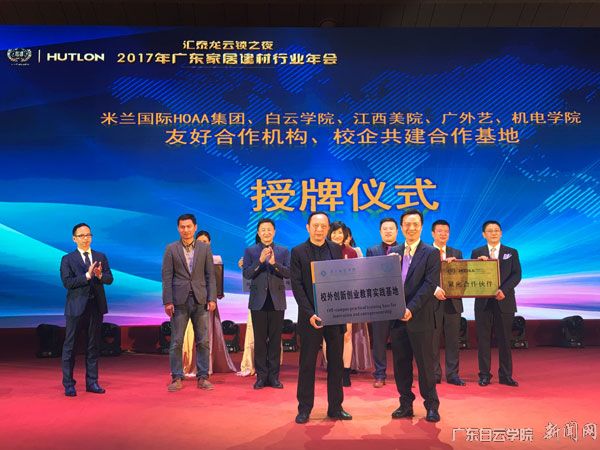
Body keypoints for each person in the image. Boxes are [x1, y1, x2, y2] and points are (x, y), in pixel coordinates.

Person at [291, 212, 352, 424]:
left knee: (336, 363)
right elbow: (297, 286)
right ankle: (304, 408)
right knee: (307, 364)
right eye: (315, 226)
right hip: (310, 317)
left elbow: (342, 282)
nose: (319, 230)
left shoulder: (335, 249)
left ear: (328, 228)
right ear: (308, 227)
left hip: (334, 316)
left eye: (323, 226)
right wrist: (310, 313)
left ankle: (335, 407)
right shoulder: (298, 251)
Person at [389, 209, 441, 422]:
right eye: (407, 224)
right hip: (396, 318)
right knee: (401, 364)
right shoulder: (393, 251)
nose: (411, 228)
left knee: (425, 365)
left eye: (415, 224)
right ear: (402, 227)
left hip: (419, 317)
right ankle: (405, 404)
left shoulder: (431, 252)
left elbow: (429, 285)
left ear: (421, 226)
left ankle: (431, 405)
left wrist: (410, 308)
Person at [162, 214, 217, 392]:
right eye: (182, 227)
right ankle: (177, 377)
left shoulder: (204, 248)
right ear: (178, 228)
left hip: (201, 299)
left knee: (203, 341)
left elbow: (210, 275)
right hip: (179, 301)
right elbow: (167, 277)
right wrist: (167, 301)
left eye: (189, 226)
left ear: (195, 227)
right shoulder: (171, 248)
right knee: (176, 341)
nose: (185, 230)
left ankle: (203, 377)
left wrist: (212, 298)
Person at [60, 223, 114, 397]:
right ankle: (69, 384)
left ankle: (92, 382)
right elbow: (68, 283)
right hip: (75, 308)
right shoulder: (67, 259)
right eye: (82, 236)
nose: (86, 239)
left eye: (88, 235)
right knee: (70, 347)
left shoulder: (100, 256)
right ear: (74, 238)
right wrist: (88, 275)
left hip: (95, 307)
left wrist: (99, 275)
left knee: (93, 346)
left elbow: (110, 279)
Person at [471, 220, 522, 387]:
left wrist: (503, 290)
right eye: (490, 231)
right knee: (483, 340)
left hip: (504, 300)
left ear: (501, 233)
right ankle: (484, 375)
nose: (493, 233)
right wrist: (478, 265)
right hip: (483, 302)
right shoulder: (477, 252)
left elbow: (516, 275)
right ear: (483, 234)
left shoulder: (511, 252)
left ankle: (506, 375)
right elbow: (471, 276)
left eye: (496, 230)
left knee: (505, 340)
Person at [243, 218, 290, 389]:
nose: (266, 232)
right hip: (258, 302)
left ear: (274, 232)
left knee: (275, 341)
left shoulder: (283, 251)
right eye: (263, 230)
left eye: (269, 229)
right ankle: (261, 377)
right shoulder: (250, 251)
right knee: (260, 341)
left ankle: (274, 377)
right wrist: (260, 261)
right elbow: (247, 274)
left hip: (277, 302)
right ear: (258, 232)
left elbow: (289, 273)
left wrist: (274, 264)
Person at [182, 230, 237, 376]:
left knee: (207, 334)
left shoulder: (215, 259)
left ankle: (207, 366)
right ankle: (191, 364)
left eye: (205, 242)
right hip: (191, 300)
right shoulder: (188, 258)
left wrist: (216, 294)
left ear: (210, 243)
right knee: (192, 334)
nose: (202, 244)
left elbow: (217, 281)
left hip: (208, 301)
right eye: (199, 242)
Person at [326, 221, 372, 387]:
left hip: (348, 298)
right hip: (328, 298)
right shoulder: (323, 251)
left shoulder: (351, 252)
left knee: (347, 334)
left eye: (340, 232)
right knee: (328, 337)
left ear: (345, 235)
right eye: (334, 232)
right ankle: (333, 370)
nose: (337, 235)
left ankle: (345, 372)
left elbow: (359, 278)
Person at [431, 219, 466, 386]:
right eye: (440, 231)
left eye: (446, 231)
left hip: (453, 303)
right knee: (432, 341)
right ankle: (434, 374)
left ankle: (453, 375)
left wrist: (456, 267)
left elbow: (464, 277)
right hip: (432, 303)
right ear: (433, 233)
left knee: (453, 341)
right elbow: (421, 276)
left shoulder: (456, 253)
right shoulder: (426, 251)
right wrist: (434, 289)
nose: (443, 234)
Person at [366, 217, 399, 388]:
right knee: (379, 341)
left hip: (400, 301)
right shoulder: (372, 250)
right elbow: (369, 274)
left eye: (391, 228)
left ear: (397, 231)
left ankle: (403, 375)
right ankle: (379, 374)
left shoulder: (405, 250)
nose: (388, 231)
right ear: (380, 232)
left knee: (401, 341)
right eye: (385, 228)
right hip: (379, 302)